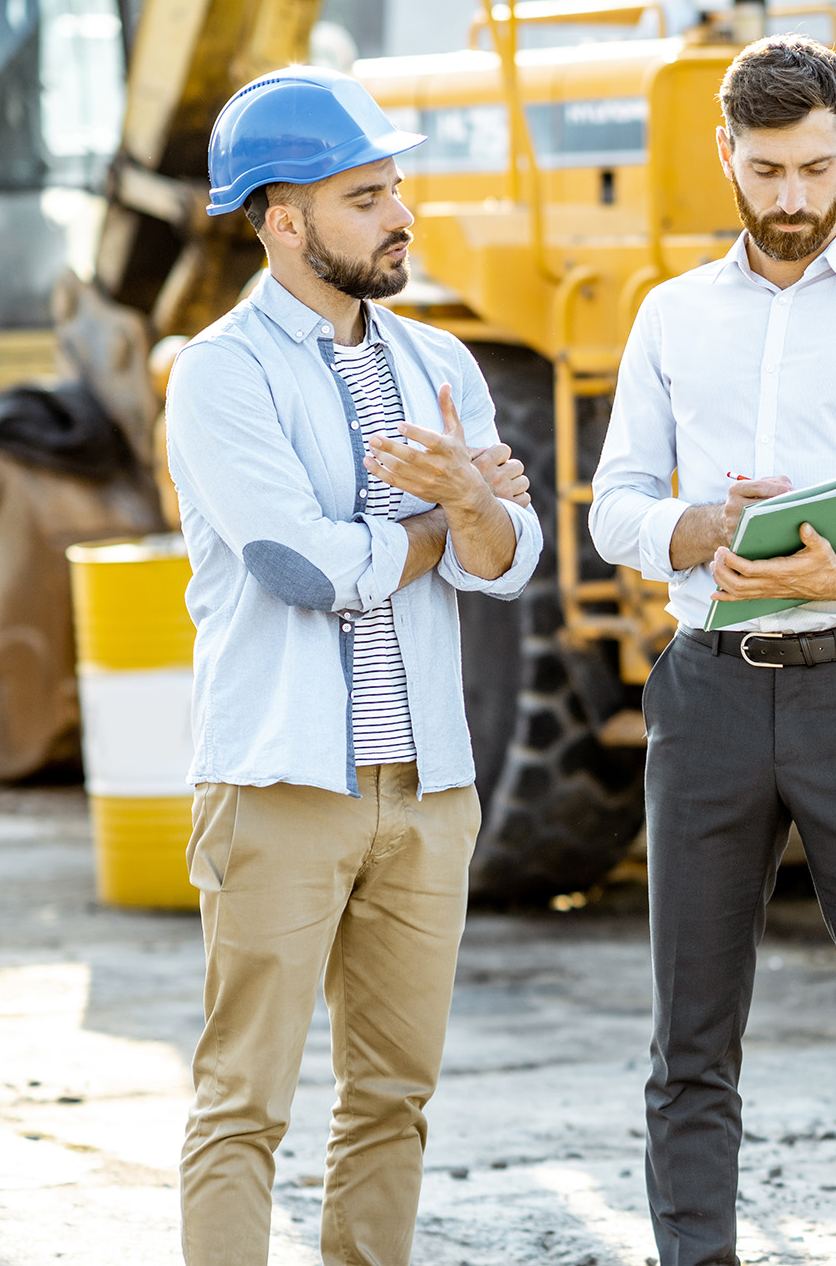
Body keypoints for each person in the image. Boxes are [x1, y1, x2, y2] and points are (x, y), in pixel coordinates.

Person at [589, 34, 836, 1266]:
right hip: (704, 695)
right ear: (727, 157)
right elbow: (613, 510)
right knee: (689, 1042)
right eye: (767, 171)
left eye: (817, 167)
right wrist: (698, 527)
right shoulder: (668, 318)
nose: (795, 199)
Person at [164, 67, 542, 1266]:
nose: (401, 215)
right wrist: (446, 518)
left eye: (397, 188)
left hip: (426, 789)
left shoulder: (440, 361)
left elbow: (511, 561)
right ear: (285, 219)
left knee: (394, 1100)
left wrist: (468, 513)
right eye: (365, 194)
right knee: (245, 1105)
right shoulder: (223, 372)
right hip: (281, 785)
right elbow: (298, 565)